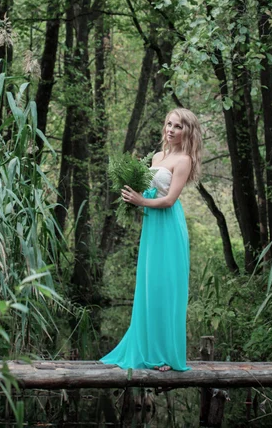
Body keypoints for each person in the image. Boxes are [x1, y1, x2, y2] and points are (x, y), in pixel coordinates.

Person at [100, 108, 202, 371]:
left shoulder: (184, 160)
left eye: (177, 126)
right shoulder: (158, 155)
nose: (170, 129)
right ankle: (147, 348)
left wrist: (140, 200)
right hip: (152, 226)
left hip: (168, 226)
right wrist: (132, 194)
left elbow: (169, 200)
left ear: (186, 131)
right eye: (168, 123)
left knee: (165, 288)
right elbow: (150, 188)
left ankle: (165, 355)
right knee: (149, 286)